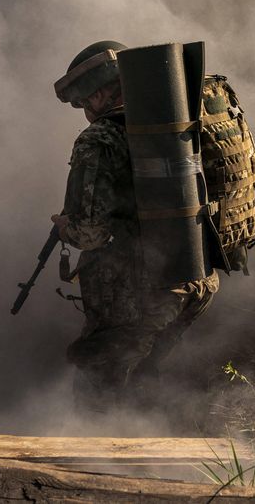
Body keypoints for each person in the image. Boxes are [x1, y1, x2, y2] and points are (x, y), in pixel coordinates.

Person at [51, 40, 220, 411]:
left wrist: (64, 227)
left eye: (83, 101)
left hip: (139, 295)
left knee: (96, 396)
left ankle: (97, 447)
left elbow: (90, 233)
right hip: (195, 279)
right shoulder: (182, 117)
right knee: (141, 382)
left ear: (100, 93)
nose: (84, 110)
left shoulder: (100, 138)